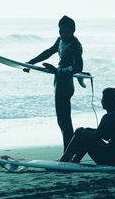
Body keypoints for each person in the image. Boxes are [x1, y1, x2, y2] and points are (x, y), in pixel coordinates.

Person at [25, 15, 83, 153]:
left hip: (66, 84)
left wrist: (59, 70)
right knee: (62, 121)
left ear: (73, 31)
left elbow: (78, 67)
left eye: (66, 31)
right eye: (60, 31)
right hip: (59, 82)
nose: (62, 34)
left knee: (64, 121)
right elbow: (48, 52)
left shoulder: (75, 45)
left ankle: (68, 153)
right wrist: (31, 62)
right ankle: (68, 151)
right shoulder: (60, 41)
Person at [59, 88, 115, 166]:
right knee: (86, 131)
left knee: (81, 134)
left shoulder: (108, 116)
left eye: (103, 98)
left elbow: (96, 137)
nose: (102, 101)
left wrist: (81, 132)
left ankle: (65, 160)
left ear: (108, 101)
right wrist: (87, 130)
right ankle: (74, 161)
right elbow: (107, 135)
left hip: (110, 161)